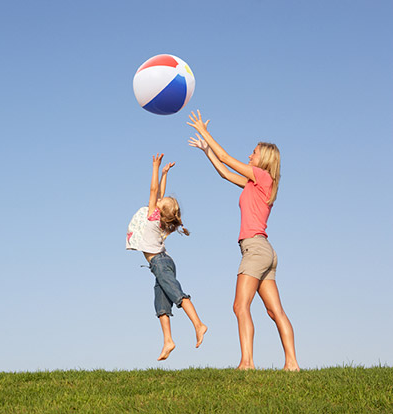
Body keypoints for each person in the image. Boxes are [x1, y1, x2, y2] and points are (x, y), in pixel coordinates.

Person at [187, 110, 299, 371]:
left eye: (254, 152)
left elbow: (227, 158)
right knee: (275, 312)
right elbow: (225, 172)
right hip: (265, 252)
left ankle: (246, 363)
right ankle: (292, 364)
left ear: (265, 158)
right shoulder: (256, 183)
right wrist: (207, 151)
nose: (250, 155)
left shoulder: (262, 176)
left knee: (240, 306)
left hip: (255, 250)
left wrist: (204, 131)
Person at [126, 153, 207, 361]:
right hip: (162, 263)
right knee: (161, 305)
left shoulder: (152, 218)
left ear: (159, 211)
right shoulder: (160, 219)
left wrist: (155, 166)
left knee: (177, 294)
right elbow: (160, 193)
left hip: (161, 264)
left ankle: (199, 324)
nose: (158, 199)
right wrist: (164, 174)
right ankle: (168, 341)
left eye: (161, 202)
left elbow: (154, 191)